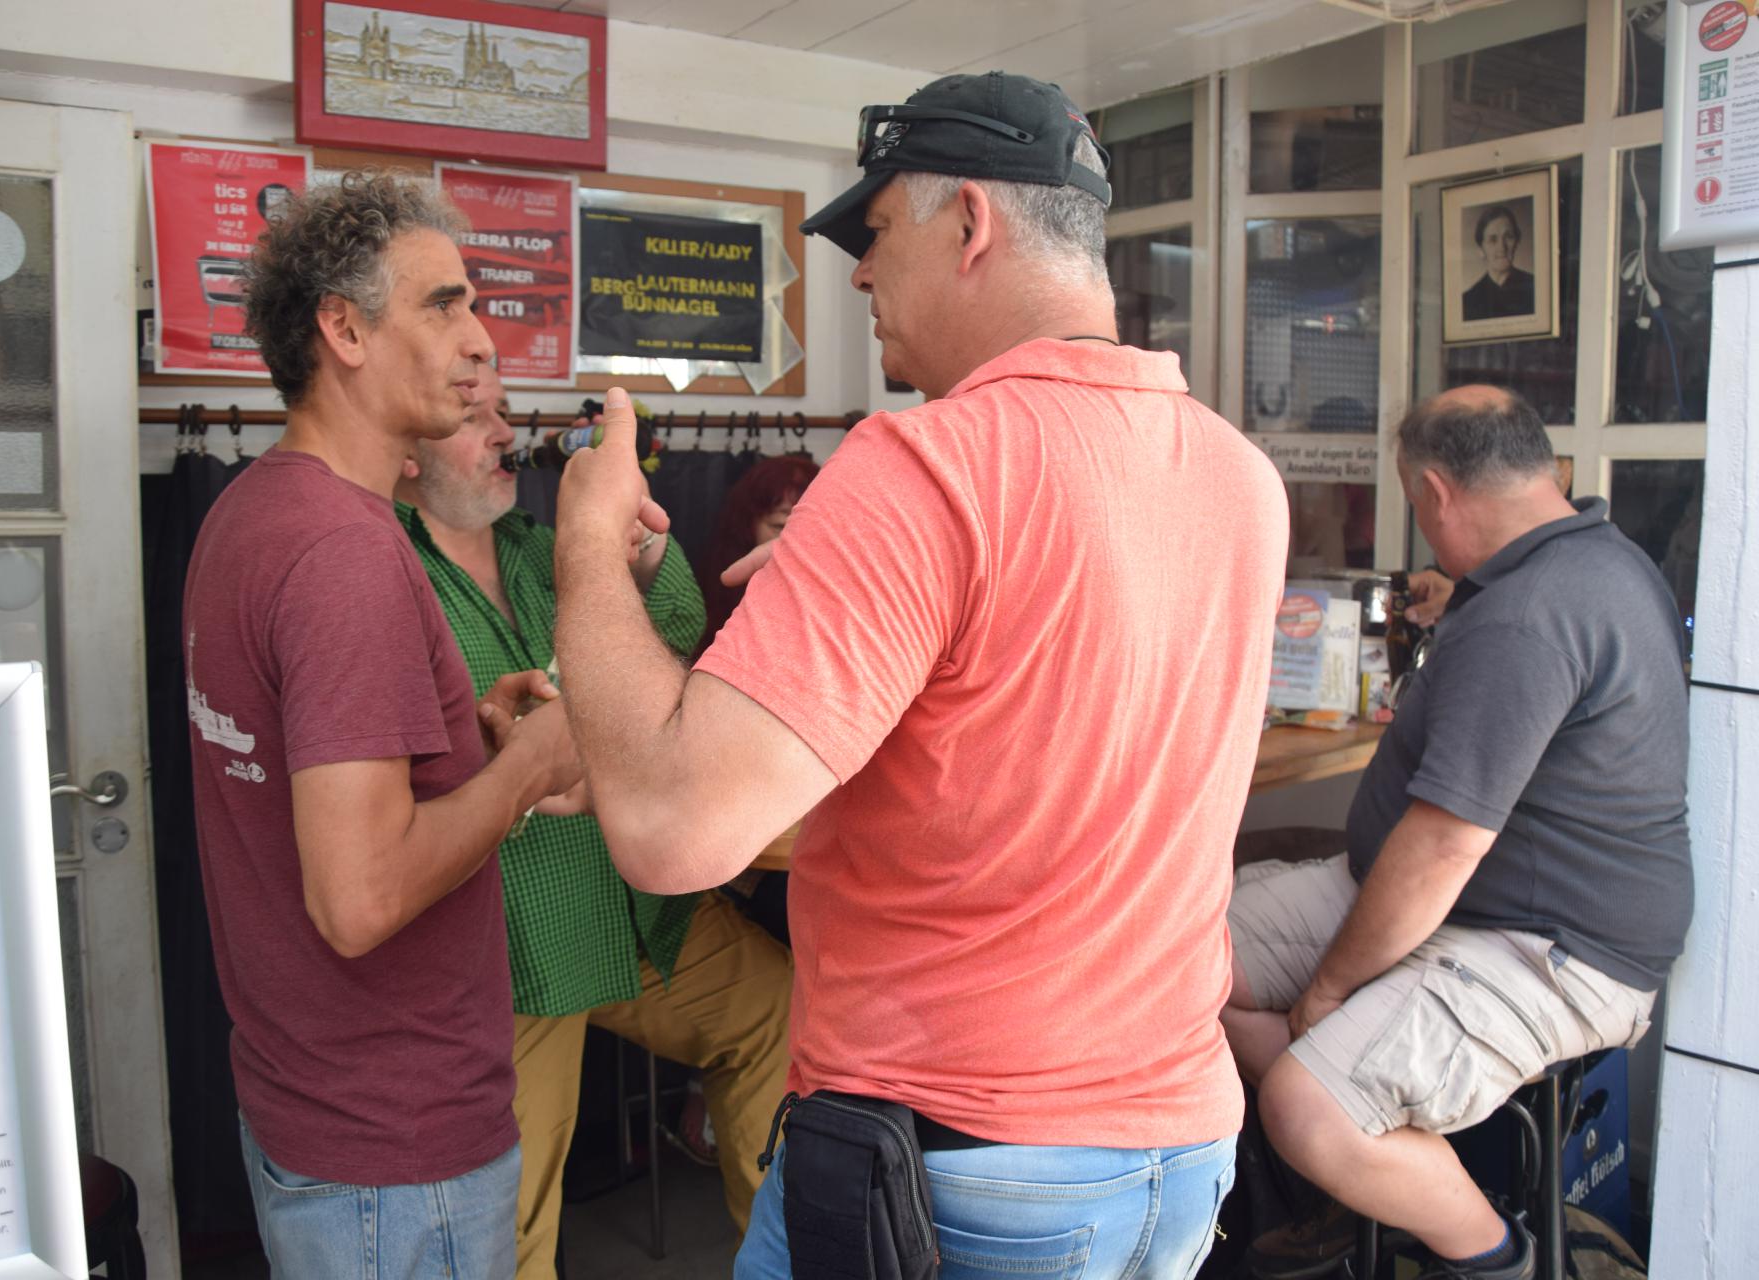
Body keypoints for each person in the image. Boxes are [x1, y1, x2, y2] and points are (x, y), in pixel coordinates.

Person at [537, 71, 1289, 1278]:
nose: (859, 275)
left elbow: (674, 833)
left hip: (959, 1165)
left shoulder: (922, 464)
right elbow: (1025, 719)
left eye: (878, 231)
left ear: (971, 222)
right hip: (1176, 1149)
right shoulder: (1238, 473)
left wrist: (583, 539)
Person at [182, 172, 581, 1280]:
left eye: (474, 304)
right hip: (396, 1151)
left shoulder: (255, 511)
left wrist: (465, 753)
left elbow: (312, 781)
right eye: (443, 305)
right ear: (344, 331)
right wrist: (530, 768)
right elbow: (358, 901)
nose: (480, 337)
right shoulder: (344, 554)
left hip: (313, 1105)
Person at [1225, 386, 1692, 1280]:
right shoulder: (1593, 558)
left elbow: (1443, 847)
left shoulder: (1526, 617)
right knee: (1177, 963)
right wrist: (1463, 599)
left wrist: (1329, 992)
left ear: (1435, 491)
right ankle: (1358, 1182)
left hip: (1548, 944)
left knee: (1307, 1106)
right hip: (1457, 900)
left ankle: (1503, 1260)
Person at [392, 363, 794, 1279]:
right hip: (518, 948)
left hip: (633, 908)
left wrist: (637, 556)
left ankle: (777, 1260)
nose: (506, 435)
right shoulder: (388, 568)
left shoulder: (540, 545)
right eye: (476, 419)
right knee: (511, 1208)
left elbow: (678, 627)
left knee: (776, 1010)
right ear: (409, 450)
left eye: (506, 415)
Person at [694, 453, 820, 658]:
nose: (790, 541)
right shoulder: (719, 584)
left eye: (804, 528)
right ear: (748, 526)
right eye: (779, 526)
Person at [1460, 205, 1535, 321]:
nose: (1502, 247)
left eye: (1508, 237)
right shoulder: (1467, 301)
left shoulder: (1534, 287)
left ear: (1517, 242)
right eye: (1493, 239)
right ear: (1481, 250)